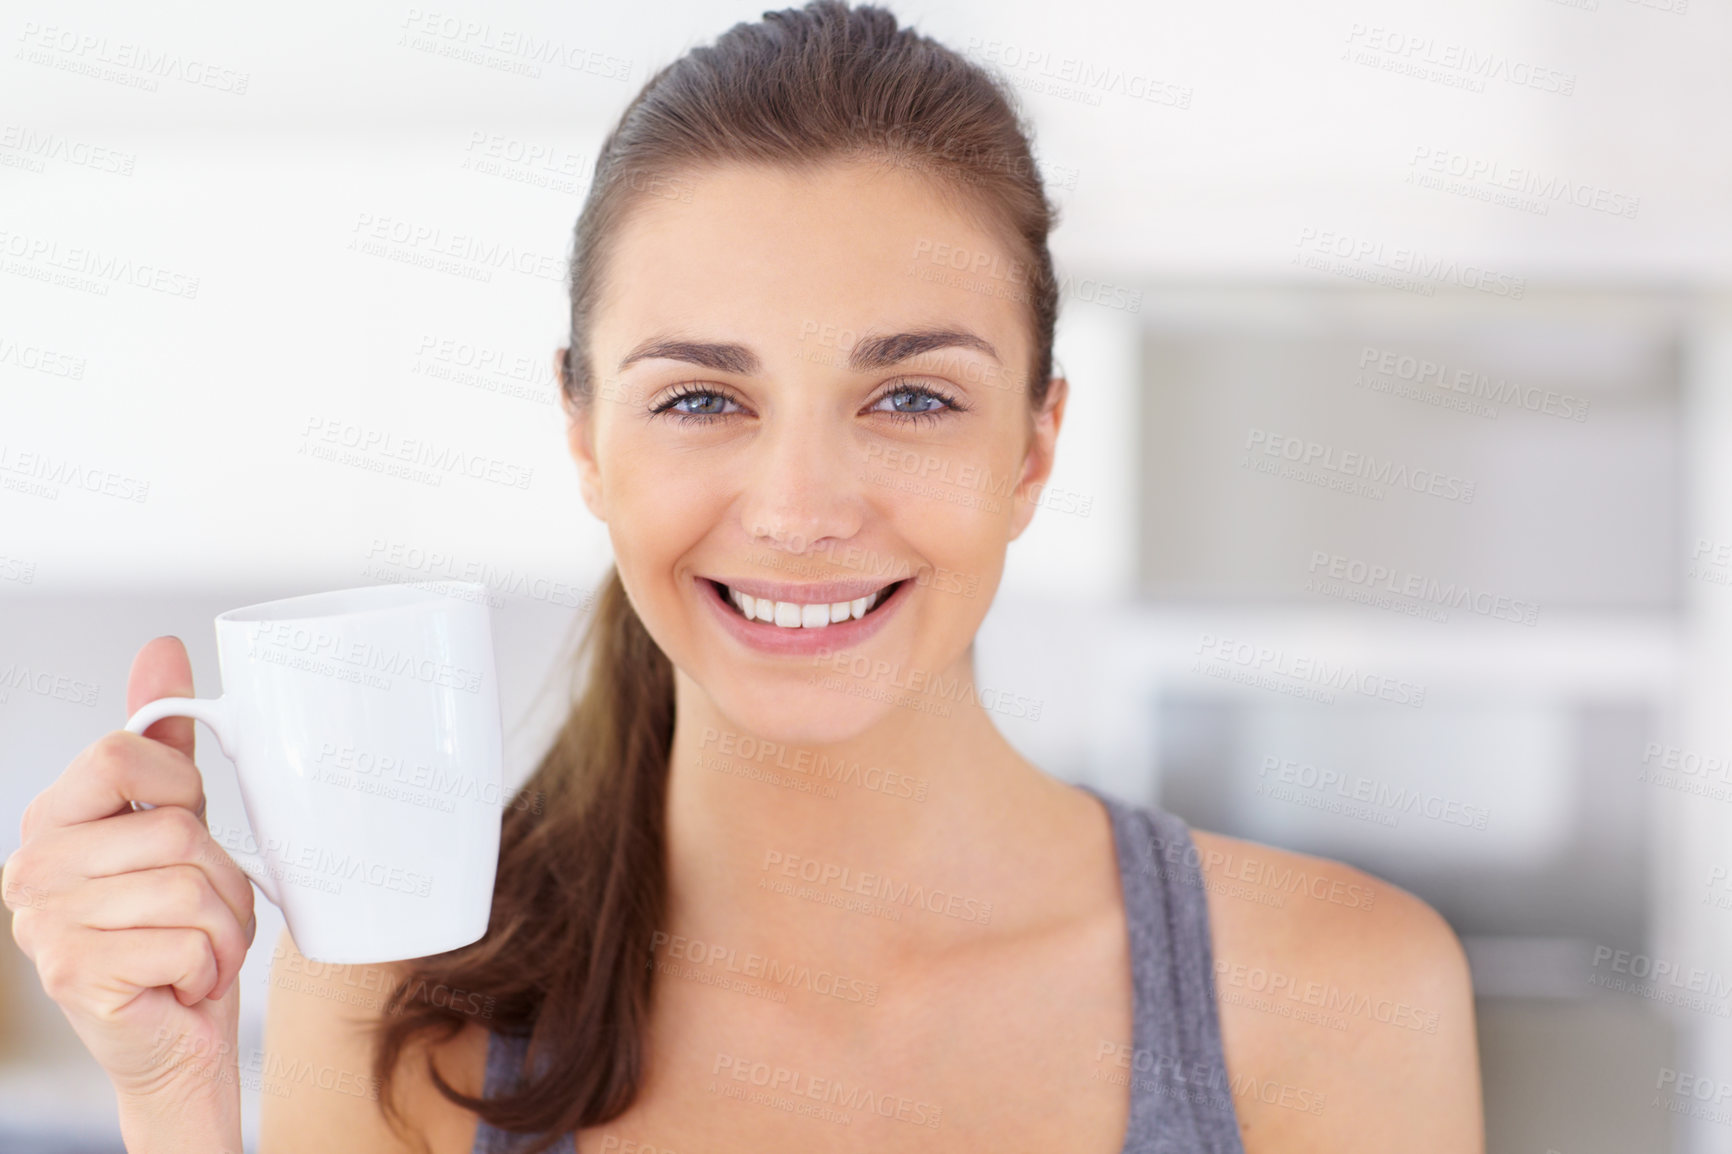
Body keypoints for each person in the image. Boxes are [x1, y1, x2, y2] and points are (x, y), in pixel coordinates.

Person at [2, 3, 1483, 1151]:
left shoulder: (1333, 992)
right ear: (585, 437)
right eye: (704, 397)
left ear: (1035, 446)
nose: (799, 508)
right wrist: (178, 1098)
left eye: (910, 398)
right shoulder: (410, 996)